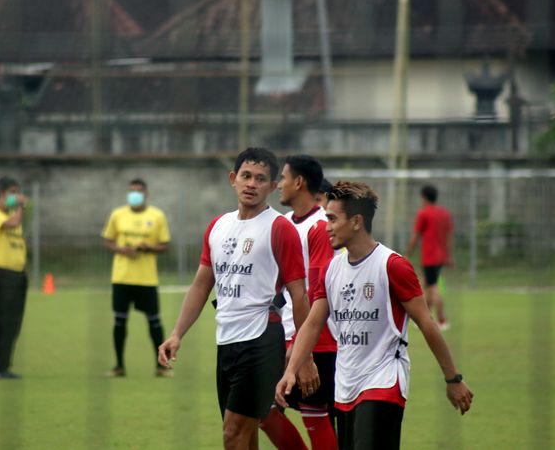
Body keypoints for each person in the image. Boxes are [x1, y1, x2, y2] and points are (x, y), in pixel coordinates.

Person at [275, 181, 473, 450]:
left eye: (332, 219)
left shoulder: (392, 266)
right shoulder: (332, 270)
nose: (326, 226)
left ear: (357, 221)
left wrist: (453, 380)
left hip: (384, 382)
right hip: (345, 386)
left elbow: (427, 324)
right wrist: (290, 371)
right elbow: (312, 323)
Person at [158, 147, 318, 450]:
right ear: (233, 179)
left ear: (272, 187)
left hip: (261, 339)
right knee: (246, 434)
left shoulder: (280, 228)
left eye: (261, 179)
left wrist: (305, 356)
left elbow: (299, 295)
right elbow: (201, 285)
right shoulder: (218, 226)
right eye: (246, 176)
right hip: (227, 341)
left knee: (233, 434)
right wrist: (177, 334)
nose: (251, 184)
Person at [259, 155, 338, 450]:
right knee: (261, 410)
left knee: (314, 415)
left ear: (299, 182)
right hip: (283, 335)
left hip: (315, 339)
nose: (278, 184)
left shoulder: (320, 227)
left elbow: (319, 289)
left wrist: (301, 345)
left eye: (283, 177)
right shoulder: (283, 224)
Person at [102, 178, 171, 378]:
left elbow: (165, 245)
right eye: (131, 191)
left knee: (154, 323)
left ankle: (161, 366)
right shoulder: (118, 215)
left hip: (147, 279)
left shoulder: (157, 216)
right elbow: (108, 241)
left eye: (138, 191)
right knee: (120, 322)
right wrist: (121, 249)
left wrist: (149, 247)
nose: (135, 195)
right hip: (121, 277)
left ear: (146, 194)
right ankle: (119, 366)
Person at [0, 176, 29, 380]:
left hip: (17, 274)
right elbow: (11, 224)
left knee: (13, 323)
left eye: (17, 192)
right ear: (0, 194)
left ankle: (3, 365)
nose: (16, 197)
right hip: (1, 273)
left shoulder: (14, 215)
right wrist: (20, 207)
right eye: (12, 192)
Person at [406, 184, 453, 330]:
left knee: (432, 288)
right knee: (425, 286)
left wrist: (408, 253)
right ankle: (425, 318)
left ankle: (441, 320)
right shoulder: (444, 214)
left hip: (430, 257)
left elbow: (416, 235)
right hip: (440, 257)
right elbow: (449, 236)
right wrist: (449, 255)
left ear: (424, 197)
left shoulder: (424, 213)